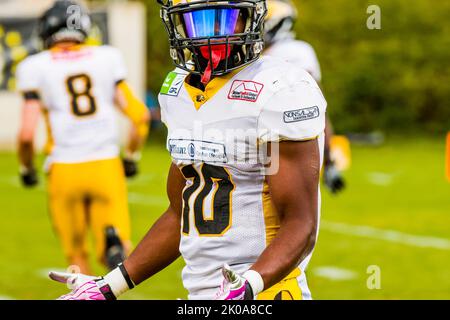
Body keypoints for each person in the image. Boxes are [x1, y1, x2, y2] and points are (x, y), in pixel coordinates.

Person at [49, 0, 326, 300]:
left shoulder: (279, 88)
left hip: (268, 291)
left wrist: (248, 287)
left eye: (226, 19)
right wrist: (110, 285)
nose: (212, 36)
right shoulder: (177, 91)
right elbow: (180, 213)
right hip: (204, 294)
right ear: (179, 24)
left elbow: (301, 222)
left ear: (250, 18)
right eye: (201, 22)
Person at [17, 0, 150, 274]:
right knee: (117, 253)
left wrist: (26, 168)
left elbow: (27, 134)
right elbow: (140, 117)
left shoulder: (34, 65)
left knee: (77, 256)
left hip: (64, 168)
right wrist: (131, 156)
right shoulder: (107, 57)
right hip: (105, 165)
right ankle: (113, 246)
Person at [264, 0, 345, 194]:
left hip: (288, 137)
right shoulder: (261, 54)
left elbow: (315, 108)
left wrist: (328, 158)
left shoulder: (294, 51)